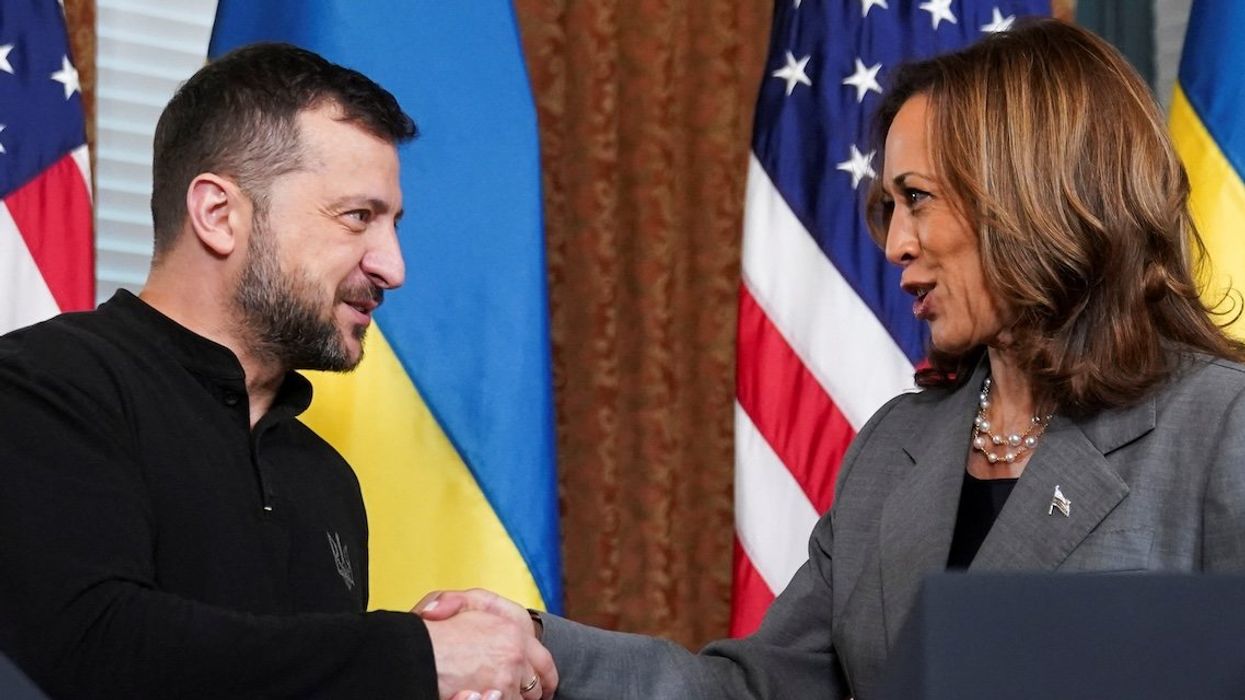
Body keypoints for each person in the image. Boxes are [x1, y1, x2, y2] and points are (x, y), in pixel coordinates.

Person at [418, 19, 1245, 699]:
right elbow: (756, 690)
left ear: (1032, 194)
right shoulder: (894, 448)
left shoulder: (1218, 428)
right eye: (886, 208)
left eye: (916, 200)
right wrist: (535, 646)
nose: (893, 244)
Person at [0, 44, 554, 700]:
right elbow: (86, 648)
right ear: (218, 214)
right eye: (358, 217)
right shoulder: (41, 385)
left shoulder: (325, 478)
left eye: (392, 225)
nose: (392, 267)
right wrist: (414, 657)